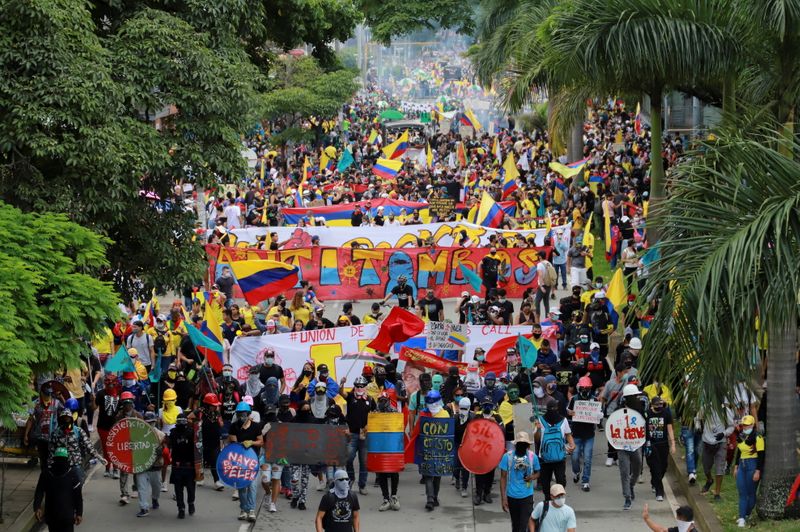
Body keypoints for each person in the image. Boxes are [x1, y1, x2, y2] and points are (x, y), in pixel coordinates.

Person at [227, 401, 263, 522]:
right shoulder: (234, 426)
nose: (241, 417)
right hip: (239, 461)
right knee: (242, 487)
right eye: (239, 414)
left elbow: (261, 441)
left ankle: (251, 510)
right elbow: (232, 441)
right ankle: (243, 509)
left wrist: (252, 442)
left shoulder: (256, 426)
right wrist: (238, 443)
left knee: (252, 486)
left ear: (248, 414)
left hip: (252, 460)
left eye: (244, 414)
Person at [340, 375, 375, 495]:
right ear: (354, 386)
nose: (360, 387)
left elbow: (375, 415)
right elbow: (341, 393)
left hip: (365, 435)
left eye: (362, 386)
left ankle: (362, 485)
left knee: (364, 462)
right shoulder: (350, 397)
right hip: (352, 434)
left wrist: (369, 427)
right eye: (357, 386)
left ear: (365, 387)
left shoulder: (370, 400)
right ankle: (350, 479)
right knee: (349, 458)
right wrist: (342, 383)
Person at [34, 447, 83, 532]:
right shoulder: (72, 474)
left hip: (51, 515)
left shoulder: (46, 473)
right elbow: (78, 496)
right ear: (67, 459)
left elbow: (39, 491)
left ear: (54, 459)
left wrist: (37, 507)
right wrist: (79, 513)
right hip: (67, 516)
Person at [500, 431, 540, 532]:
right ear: (515, 445)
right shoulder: (507, 457)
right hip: (512, 496)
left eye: (524, 444)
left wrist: (532, 477)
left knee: (524, 525)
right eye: (520, 444)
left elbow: (538, 473)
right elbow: (503, 477)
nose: (522, 446)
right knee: (516, 525)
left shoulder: (532, 457)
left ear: (527, 445)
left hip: (527, 496)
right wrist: (503, 499)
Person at [536, 400, 575, 501]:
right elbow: (536, 439)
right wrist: (537, 429)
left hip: (560, 457)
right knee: (545, 482)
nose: (553, 411)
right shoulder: (540, 421)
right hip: (544, 458)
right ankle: (547, 499)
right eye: (551, 409)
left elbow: (568, 434)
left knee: (561, 480)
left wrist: (572, 444)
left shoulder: (563, 420)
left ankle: (558, 499)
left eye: (554, 408)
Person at [566, 376, 597, 491]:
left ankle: (586, 481)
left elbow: (599, 412)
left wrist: (599, 415)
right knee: (574, 457)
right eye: (583, 387)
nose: (585, 390)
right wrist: (571, 412)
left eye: (587, 388)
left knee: (588, 458)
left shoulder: (594, 400)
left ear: (590, 388)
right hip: (576, 434)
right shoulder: (574, 399)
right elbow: (567, 411)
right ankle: (576, 471)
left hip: (589, 435)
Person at [421, 390, 450, 511]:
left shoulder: (445, 415)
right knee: (429, 475)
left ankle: (434, 497)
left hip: (440, 450)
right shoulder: (424, 414)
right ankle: (431, 499)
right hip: (428, 449)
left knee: (436, 475)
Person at [699, 403, 735, 501]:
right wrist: (701, 430)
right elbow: (698, 419)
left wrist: (723, 434)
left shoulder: (725, 410)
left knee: (720, 468)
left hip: (720, 442)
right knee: (706, 467)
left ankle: (717, 493)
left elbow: (732, 426)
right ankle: (709, 480)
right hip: (707, 442)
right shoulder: (705, 407)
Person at [733, 415, 764, 528]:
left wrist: (758, 471)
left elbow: (761, 456)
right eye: (743, 425)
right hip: (742, 464)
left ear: (752, 425)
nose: (745, 427)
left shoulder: (758, 438)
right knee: (742, 493)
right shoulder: (740, 436)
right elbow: (739, 452)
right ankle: (742, 517)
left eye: (747, 425)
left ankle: (746, 514)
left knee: (751, 493)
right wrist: (736, 466)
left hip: (753, 464)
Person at [644, 396, 676, 502]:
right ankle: (659, 492)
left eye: (661, 404)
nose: (659, 406)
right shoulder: (647, 414)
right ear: (652, 405)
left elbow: (670, 429)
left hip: (663, 445)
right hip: (651, 445)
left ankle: (655, 482)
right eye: (657, 404)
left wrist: (673, 444)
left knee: (663, 467)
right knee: (655, 467)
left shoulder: (666, 413)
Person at [24, 382, 63, 468]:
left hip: (53, 436)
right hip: (40, 437)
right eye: (46, 393)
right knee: (43, 460)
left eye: (50, 393)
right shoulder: (35, 404)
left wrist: (61, 397)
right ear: (41, 393)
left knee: (53, 459)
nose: (48, 395)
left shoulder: (56, 403)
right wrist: (26, 434)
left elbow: (65, 413)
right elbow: (30, 419)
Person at [474, 397, 504, 506]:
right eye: (485, 404)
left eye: (489, 405)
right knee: (478, 473)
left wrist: (495, 423)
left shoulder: (497, 417)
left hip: (491, 450)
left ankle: (487, 493)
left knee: (490, 473)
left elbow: (503, 431)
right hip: (479, 449)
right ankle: (478, 494)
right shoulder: (477, 416)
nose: (487, 407)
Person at [136, 411, 166, 518]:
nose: (150, 424)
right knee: (142, 487)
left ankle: (155, 498)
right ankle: (144, 507)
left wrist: (161, 450)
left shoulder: (161, 435)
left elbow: (166, 449)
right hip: (142, 466)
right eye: (148, 422)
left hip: (155, 466)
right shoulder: (137, 434)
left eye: (152, 422)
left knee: (156, 486)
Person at [375, 391, 401, 511]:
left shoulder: (395, 412)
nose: (382, 403)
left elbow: (399, 429)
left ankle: (394, 496)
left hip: (392, 446)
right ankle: (385, 498)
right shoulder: (375, 413)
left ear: (388, 401)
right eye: (380, 400)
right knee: (381, 472)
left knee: (394, 470)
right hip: (380, 446)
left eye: (384, 401)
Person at [169, 412, 196, 518]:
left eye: (183, 421)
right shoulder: (173, 433)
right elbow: (169, 444)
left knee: (190, 487)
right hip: (177, 464)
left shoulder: (192, 432)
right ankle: (181, 508)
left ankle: (191, 503)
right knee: (178, 488)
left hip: (189, 464)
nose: (181, 424)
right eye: (179, 421)